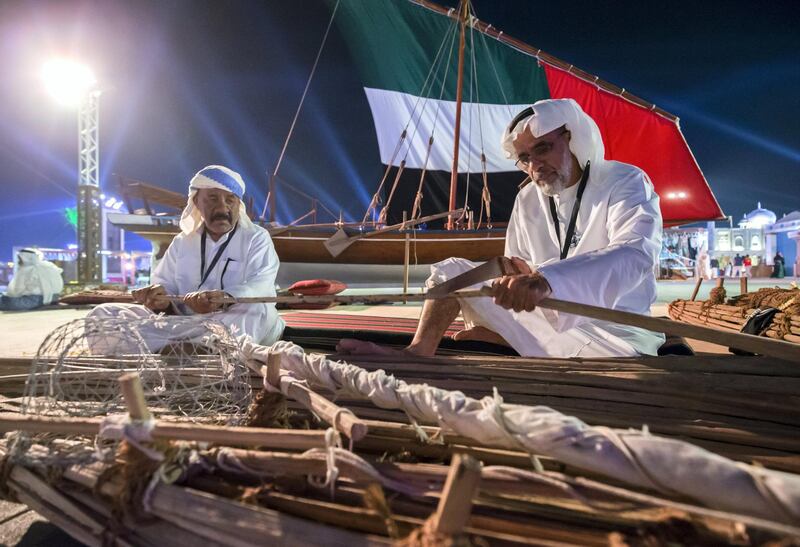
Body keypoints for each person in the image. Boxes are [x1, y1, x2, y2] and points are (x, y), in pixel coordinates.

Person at [339, 98, 664, 358]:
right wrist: (515, 278)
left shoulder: (625, 181)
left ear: (571, 138)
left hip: (616, 335)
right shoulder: (527, 200)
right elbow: (517, 271)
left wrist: (545, 280)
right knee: (453, 273)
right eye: (524, 158)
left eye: (543, 148)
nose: (534, 166)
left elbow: (636, 253)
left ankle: (504, 341)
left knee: (480, 331)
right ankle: (417, 352)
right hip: (549, 323)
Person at [89, 165, 284, 349]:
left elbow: (260, 285)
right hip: (184, 323)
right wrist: (160, 298)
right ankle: (197, 349)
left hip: (229, 318)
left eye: (230, 200)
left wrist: (225, 298)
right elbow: (165, 287)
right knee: (103, 314)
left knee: (256, 311)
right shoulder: (182, 242)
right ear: (196, 202)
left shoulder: (256, 238)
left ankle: (178, 350)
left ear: (237, 205)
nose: (222, 208)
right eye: (213, 199)